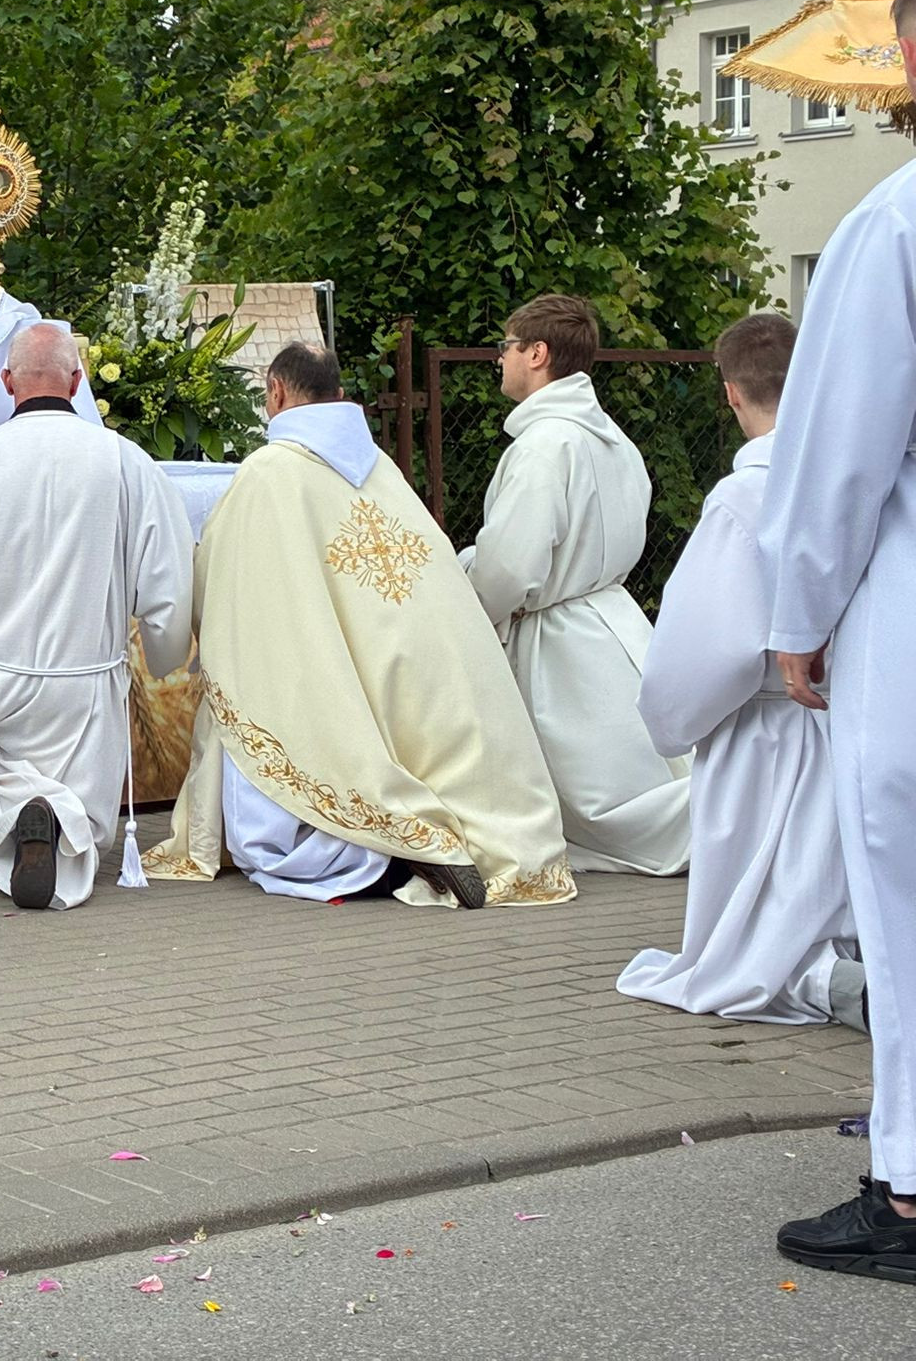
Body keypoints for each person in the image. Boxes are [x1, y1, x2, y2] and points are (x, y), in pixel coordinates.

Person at [147, 345, 574, 909]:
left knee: (270, 760)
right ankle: (428, 839)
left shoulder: (269, 471)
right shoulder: (381, 469)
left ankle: (384, 856)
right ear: (339, 395)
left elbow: (226, 578)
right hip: (396, 656)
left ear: (276, 391)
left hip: (313, 658)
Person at [764, 0, 916, 1282]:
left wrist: (797, 615)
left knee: (906, 898)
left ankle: (911, 1191)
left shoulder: (892, 225)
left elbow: (838, 458)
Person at [617, 314, 863, 1026]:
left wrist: (671, 721)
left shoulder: (744, 498)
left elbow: (706, 646)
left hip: (766, 733)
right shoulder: (861, 483)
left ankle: (826, 983)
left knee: (767, 917)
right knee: (836, 885)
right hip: (857, 716)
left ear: (729, 392)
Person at [0, 322, 192, 909]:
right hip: (84, 694)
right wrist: (164, 654)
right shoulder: (124, 460)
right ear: (78, 381)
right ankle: (59, 818)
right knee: (82, 796)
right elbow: (168, 578)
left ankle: (17, 813)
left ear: (7, 382)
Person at [465, 294, 691, 875]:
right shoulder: (610, 437)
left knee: (607, 804)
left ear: (537, 353)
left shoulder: (545, 446)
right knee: (642, 769)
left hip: (560, 642)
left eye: (506, 347)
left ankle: (744, 815)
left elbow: (510, 565)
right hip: (611, 619)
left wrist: (469, 602)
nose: (500, 359)